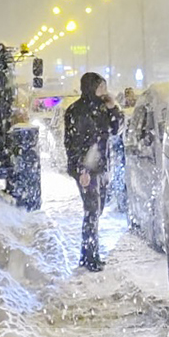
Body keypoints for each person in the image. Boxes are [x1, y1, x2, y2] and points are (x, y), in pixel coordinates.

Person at [64, 72, 123, 271]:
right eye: (100, 87)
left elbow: (117, 129)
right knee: (91, 210)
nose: (103, 91)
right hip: (87, 170)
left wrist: (113, 107)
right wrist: (82, 169)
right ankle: (89, 256)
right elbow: (73, 143)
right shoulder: (76, 111)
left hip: (101, 167)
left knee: (97, 209)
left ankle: (90, 253)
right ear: (90, 87)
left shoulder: (102, 108)